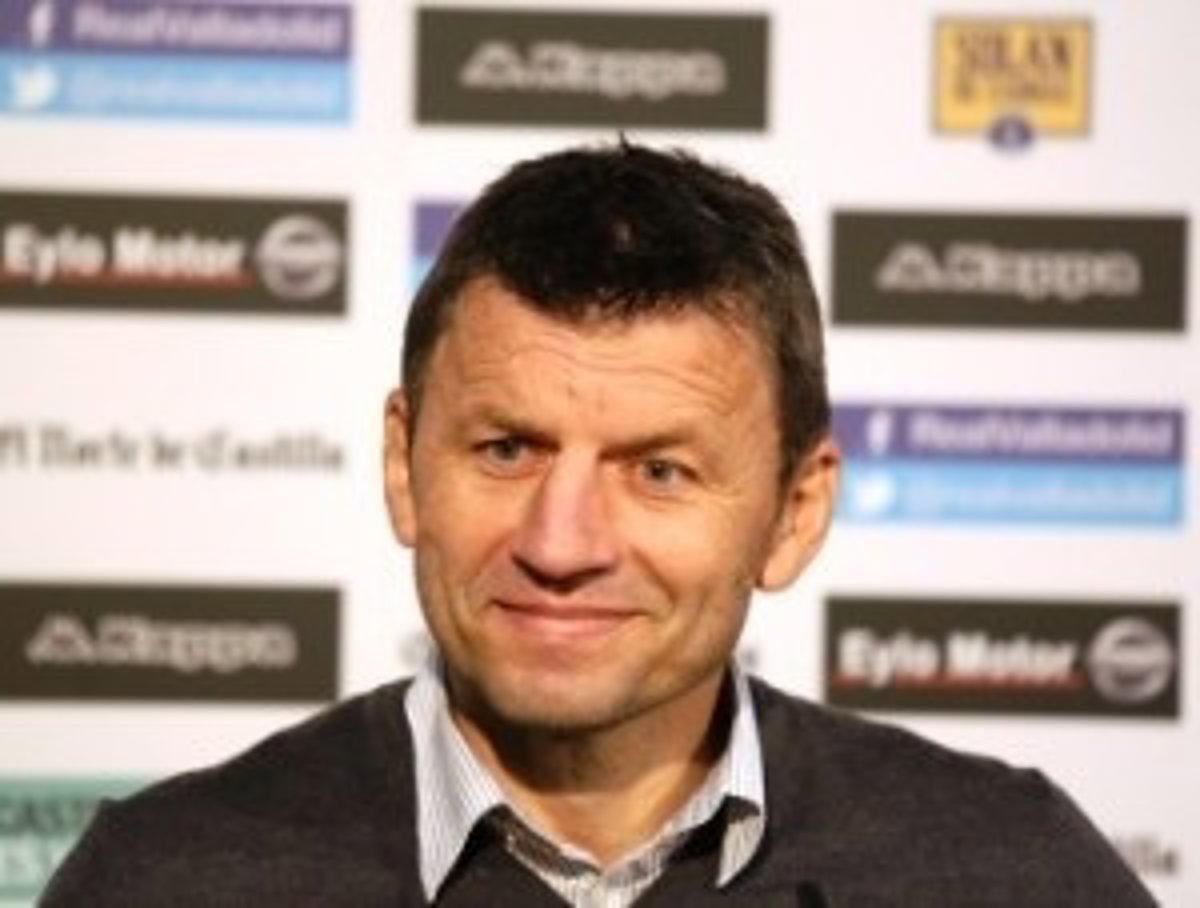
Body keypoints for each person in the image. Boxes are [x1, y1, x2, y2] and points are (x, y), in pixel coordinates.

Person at [43, 141, 1153, 907]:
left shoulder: (1008, 870)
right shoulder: (169, 878)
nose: (561, 543)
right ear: (403, 464)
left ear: (794, 512)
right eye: (506, 449)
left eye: (659, 470)